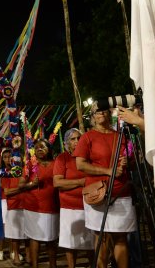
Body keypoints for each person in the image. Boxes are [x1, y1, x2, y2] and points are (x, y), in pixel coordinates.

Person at [74, 105, 136, 268]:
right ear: (92, 116)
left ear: (109, 114)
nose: (100, 113)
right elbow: (80, 165)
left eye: (103, 110)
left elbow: (133, 159)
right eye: (96, 111)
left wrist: (127, 162)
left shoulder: (121, 136)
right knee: (101, 236)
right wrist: (109, 171)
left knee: (121, 237)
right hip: (98, 193)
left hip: (121, 192)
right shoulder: (87, 137)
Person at [53, 128, 94, 268]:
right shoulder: (62, 158)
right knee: (70, 243)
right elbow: (57, 183)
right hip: (69, 208)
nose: (77, 141)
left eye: (79, 138)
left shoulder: (88, 157)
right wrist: (80, 182)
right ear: (66, 143)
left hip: (89, 205)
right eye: (73, 139)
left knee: (91, 242)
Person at [19, 138, 59, 268]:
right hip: (33, 207)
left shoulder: (56, 163)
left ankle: (53, 265)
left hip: (52, 206)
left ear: (49, 149)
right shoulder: (29, 165)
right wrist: (32, 184)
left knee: (52, 238)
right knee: (34, 237)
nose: (40, 149)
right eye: (37, 147)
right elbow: (21, 185)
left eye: (43, 147)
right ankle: (34, 265)